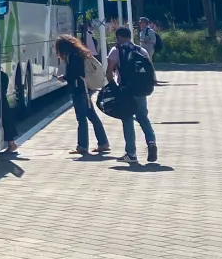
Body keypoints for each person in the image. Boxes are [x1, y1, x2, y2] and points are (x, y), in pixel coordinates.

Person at [105, 25, 158, 164]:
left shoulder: (116, 51)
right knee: (143, 117)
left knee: (127, 119)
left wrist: (113, 86)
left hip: (125, 90)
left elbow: (109, 71)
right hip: (141, 90)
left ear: (118, 37)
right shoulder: (142, 50)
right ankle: (151, 142)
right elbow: (149, 69)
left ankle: (131, 153)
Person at [55, 34, 110, 155]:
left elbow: (74, 73)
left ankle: (83, 146)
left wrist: (64, 77)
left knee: (81, 118)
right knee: (91, 115)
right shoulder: (79, 54)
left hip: (79, 89)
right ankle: (103, 142)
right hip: (85, 88)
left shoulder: (72, 56)